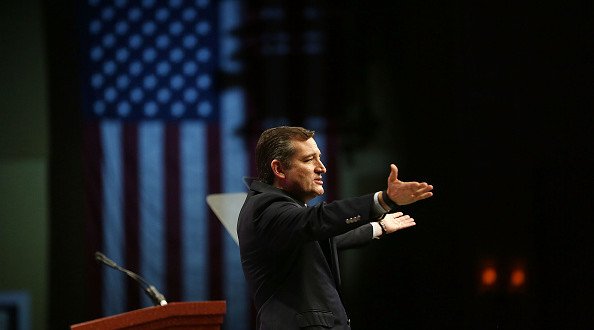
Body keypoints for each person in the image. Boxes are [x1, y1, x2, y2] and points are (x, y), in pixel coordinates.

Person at [237, 126, 434, 329]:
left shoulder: (284, 216)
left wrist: (379, 227)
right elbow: (319, 219)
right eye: (308, 159)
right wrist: (382, 200)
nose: (321, 167)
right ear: (279, 169)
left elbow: (325, 239)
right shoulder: (266, 207)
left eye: (319, 158)